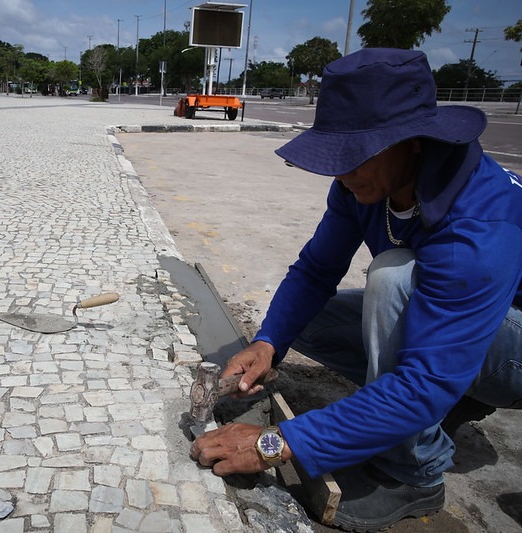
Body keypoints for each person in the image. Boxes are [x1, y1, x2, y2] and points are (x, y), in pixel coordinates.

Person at [190, 48, 522, 532]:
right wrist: (268, 342)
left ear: (413, 141)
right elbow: (315, 271)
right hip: (466, 331)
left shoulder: (477, 227)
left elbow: (421, 386)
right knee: (306, 321)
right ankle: (460, 395)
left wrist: (272, 443)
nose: (339, 171)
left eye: (355, 154)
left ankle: (414, 473)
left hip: (514, 351)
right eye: (335, 154)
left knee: (393, 279)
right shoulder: (362, 185)